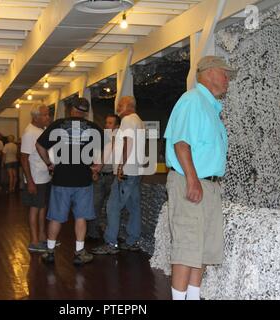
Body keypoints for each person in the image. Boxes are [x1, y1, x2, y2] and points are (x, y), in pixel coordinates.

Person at [163, 55, 236, 300]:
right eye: (225, 74)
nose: (228, 80)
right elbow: (181, 144)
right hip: (192, 182)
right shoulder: (193, 100)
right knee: (187, 247)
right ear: (210, 73)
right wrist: (193, 181)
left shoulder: (210, 107)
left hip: (207, 184)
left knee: (201, 249)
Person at [36, 97, 103, 265]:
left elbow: (39, 145)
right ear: (86, 112)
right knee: (81, 217)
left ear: (72, 109)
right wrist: (98, 166)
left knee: (56, 217)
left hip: (61, 178)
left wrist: (49, 164)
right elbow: (106, 146)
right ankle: (79, 253)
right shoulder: (93, 127)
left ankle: (50, 252)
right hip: (83, 180)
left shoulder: (58, 125)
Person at [92, 96, 145, 255]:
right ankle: (132, 240)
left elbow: (127, 144)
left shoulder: (128, 120)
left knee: (112, 207)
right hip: (135, 172)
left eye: (120, 105)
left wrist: (121, 166)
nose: (117, 108)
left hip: (126, 172)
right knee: (134, 207)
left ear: (128, 106)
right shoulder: (139, 121)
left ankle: (111, 243)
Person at [20, 104, 52, 252]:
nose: (48, 117)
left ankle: (42, 237)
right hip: (36, 178)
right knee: (35, 208)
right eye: (45, 115)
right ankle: (33, 241)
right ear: (35, 117)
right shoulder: (29, 133)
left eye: (48, 114)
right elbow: (24, 158)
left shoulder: (41, 130)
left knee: (42, 208)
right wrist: (30, 182)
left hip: (44, 177)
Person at [86, 114, 120, 240]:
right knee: (96, 204)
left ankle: (106, 230)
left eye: (110, 123)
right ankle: (92, 233)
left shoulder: (119, 138)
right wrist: (95, 172)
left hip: (113, 175)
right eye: (106, 122)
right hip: (100, 175)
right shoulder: (100, 137)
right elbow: (95, 153)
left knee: (110, 206)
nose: (107, 125)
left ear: (116, 126)